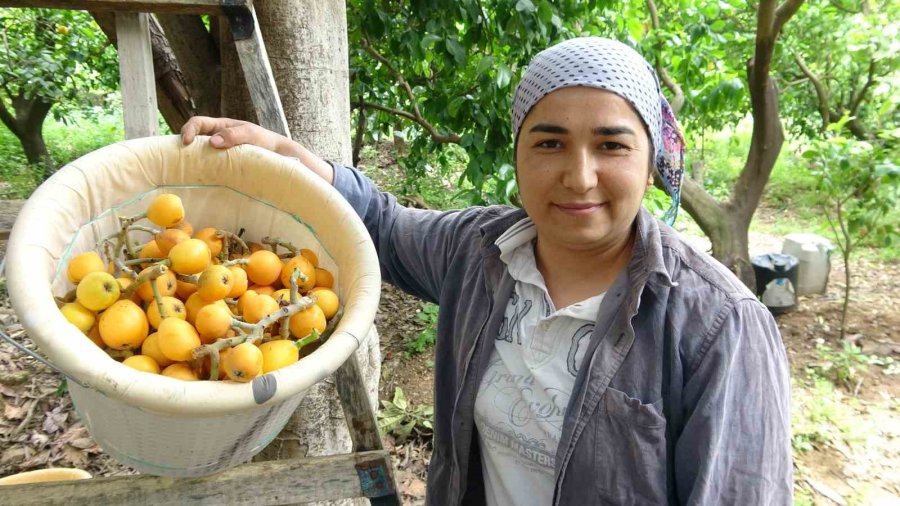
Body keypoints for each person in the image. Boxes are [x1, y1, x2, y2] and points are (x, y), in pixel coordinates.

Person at [181, 37, 792, 505]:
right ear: (518, 151)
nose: (579, 177)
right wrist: (296, 162)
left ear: (651, 159)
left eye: (612, 145)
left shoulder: (720, 328)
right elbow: (385, 228)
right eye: (549, 143)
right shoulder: (481, 251)